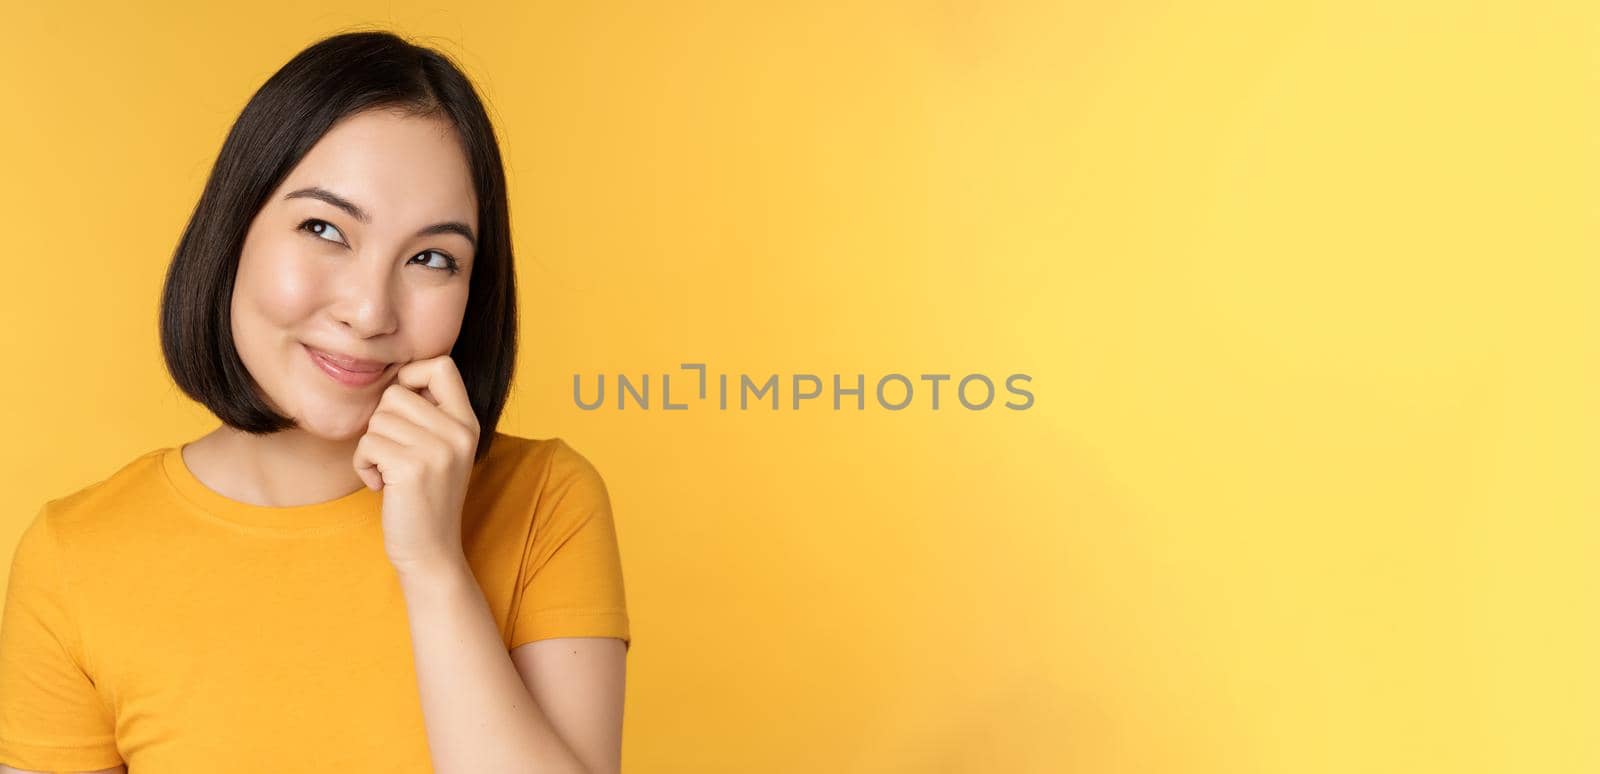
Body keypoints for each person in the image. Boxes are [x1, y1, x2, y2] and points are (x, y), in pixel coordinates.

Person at [0, 30, 630, 774]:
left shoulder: (545, 503)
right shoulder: (77, 558)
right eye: (325, 228)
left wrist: (431, 564)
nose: (370, 311)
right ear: (233, 231)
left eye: (433, 258)